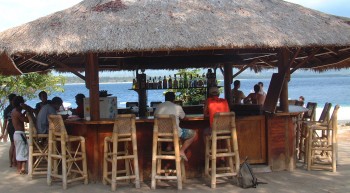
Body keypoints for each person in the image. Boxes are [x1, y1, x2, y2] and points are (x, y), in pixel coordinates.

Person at [154, 92, 197, 161]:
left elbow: (154, 117)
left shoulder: (158, 107)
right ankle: (181, 151)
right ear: (174, 99)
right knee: (193, 133)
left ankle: (169, 146)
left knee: (171, 128)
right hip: (174, 133)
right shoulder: (177, 107)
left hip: (160, 134)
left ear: (165, 98)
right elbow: (184, 118)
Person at [11, 96, 29, 174]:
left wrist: (24, 112)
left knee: (20, 151)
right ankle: (20, 169)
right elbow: (26, 120)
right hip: (20, 134)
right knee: (23, 151)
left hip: (16, 134)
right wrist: (28, 111)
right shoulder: (17, 113)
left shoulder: (13, 111)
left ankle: (21, 168)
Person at [0, 94, 17, 167]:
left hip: (10, 126)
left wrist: (3, 132)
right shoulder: (16, 108)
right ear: (12, 100)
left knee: (13, 144)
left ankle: (12, 162)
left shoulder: (7, 109)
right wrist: (2, 133)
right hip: (14, 126)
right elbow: (5, 122)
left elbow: (5, 122)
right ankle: (13, 161)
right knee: (14, 144)